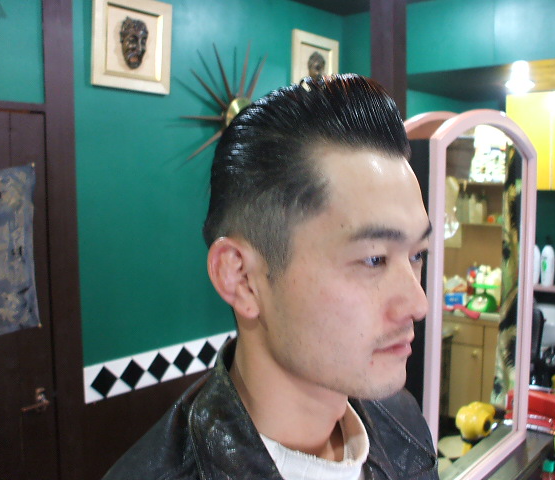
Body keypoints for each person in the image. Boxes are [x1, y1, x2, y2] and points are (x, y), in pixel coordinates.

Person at [103, 74, 438, 480]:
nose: (418, 304)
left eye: (417, 255)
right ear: (242, 278)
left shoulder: (402, 422)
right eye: (373, 259)